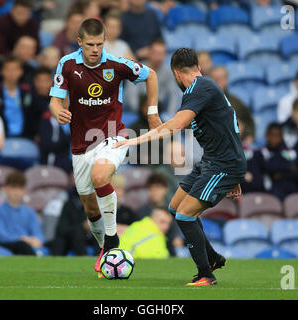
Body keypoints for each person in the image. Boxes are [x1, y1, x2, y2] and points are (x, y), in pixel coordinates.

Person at [114, 48, 246, 286]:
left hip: (222, 164)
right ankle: (213, 257)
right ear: (197, 66)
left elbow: (177, 124)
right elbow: (229, 125)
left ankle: (206, 274)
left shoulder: (200, 88)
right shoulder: (205, 89)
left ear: (176, 73)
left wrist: (134, 140)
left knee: (186, 215)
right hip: (213, 161)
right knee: (175, 207)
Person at [49, 18, 160, 277]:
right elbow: (55, 100)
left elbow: (151, 75)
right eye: (90, 44)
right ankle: (104, 249)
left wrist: (153, 112)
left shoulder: (116, 64)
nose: (96, 49)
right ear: (80, 43)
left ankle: (112, 240)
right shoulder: (67, 64)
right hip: (80, 145)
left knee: (101, 177)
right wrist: (58, 112)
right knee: (89, 207)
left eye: (100, 44)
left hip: (113, 135)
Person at [0, 171, 46, 255]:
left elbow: (37, 233)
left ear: (24, 190)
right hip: (9, 244)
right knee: (22, 245)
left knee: (56, 243)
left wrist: (37, 240)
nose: (16, 192)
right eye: (13, 187)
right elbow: (1, 235)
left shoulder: (30, 211)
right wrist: (22, 239)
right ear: (5, 188)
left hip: (26, 243)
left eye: (20, 188)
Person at [124, 38, 182, 116]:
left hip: (160, 113)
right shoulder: (136, 70)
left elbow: (174, 96)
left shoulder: (168, 72)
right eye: (156, 53)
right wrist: (144, 113)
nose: (159, 57)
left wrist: (171, 116)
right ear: (149, 53)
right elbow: (131, 97)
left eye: (162, 54)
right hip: (138, 114)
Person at [0, 55, 42, 140]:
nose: (12, 73)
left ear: (21, 72)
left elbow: (36, 114)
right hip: (1, 137)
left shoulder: (28, 92)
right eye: (8, 69)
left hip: (26, 137)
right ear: (2, 71)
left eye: (15, 69)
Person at [252, 123, 298, 200]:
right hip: (269, 193)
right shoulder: (260, 153)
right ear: (266, 136)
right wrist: (289, 167)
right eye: (272, 135)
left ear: (281, 137)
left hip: (292, 192)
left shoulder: (290, 153)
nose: (274, 138)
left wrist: (281, 175)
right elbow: (268, 167)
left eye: (277, 136)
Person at [209, 66, 255, 143]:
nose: (218, 82)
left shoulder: (236, 102)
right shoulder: (200, 102)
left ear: (226, 80)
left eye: (221, 79)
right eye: (215, 79)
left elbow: (249, 122)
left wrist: (248, 135)